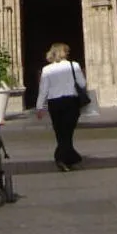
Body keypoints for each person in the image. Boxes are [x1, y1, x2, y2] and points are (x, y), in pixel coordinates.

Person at [35, 42, 86, 172]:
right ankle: (64, 158)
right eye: (67, 51)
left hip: (54, 103)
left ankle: (68, 158)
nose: (68, 53)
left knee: (60, 132)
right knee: (67, 132)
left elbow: (43, 90)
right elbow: (82, 83)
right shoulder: (73, 65)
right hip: (71, 101)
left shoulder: (46, 69)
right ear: (62, 52)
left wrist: (39, 107)